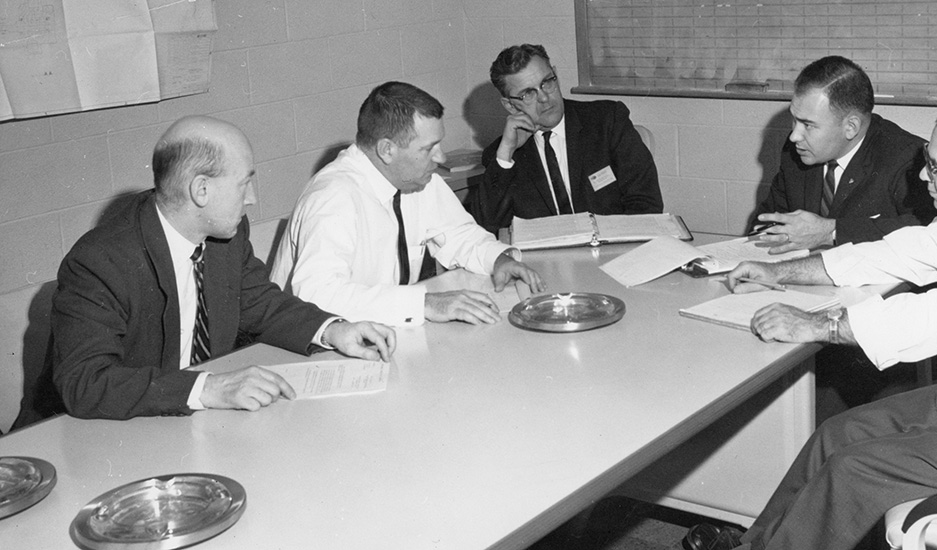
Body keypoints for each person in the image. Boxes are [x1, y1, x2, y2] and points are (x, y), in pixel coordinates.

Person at [681, 100, 937, 550]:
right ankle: (757, 545)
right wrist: (780, 271)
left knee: (854, 470)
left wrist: (819, 325)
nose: (922, 176)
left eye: (935, 167)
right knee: (834, 434)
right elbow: (901, 251)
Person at [23, 116, 397, 422]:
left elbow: (260, 302)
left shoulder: (225, 235)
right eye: (244, 184)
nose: (252, 198)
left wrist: (334, 330)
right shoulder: (101, 260)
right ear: (201, 190)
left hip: (186, 421)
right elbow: (86, 382)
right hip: (87, 434)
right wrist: (210, 388)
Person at [269, 82, 545, 327]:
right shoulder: (333, 197)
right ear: (387, 150)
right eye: (428, 148)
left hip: (375, 330)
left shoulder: (415, 178)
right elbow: (318, 295)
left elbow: (458, 234)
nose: (440, 157)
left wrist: (497, 258)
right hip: (308, 346)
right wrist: (425, 303)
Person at [472, 44, 663, 235]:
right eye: (528, 93)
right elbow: (489, 227)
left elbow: (646, 204)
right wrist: (506, 151)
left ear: (555, 74)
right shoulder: (503, 155)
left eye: (547, 82)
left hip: (613, 253)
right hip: (546, 262)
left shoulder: (607, 121)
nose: (545, 98)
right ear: (511, 106)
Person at [751, 56, 935, 255]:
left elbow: (927, 232)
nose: (795, 135)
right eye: (794, 120)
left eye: (808, 125)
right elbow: (770, 218)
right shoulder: (797, 150)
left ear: (851, 127)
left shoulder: (908, 158)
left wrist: (831, 231)